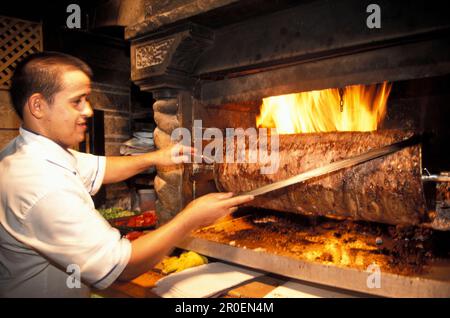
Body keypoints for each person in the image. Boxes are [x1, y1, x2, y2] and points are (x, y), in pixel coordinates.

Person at [0, 52, 254, 297]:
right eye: (77, 101)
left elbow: (101, 167)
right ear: (38, 106)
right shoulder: (42, 185)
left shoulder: (27, 152)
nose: (88, 110)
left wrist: (156, 157)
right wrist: (192, 217)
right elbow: (122, 267)